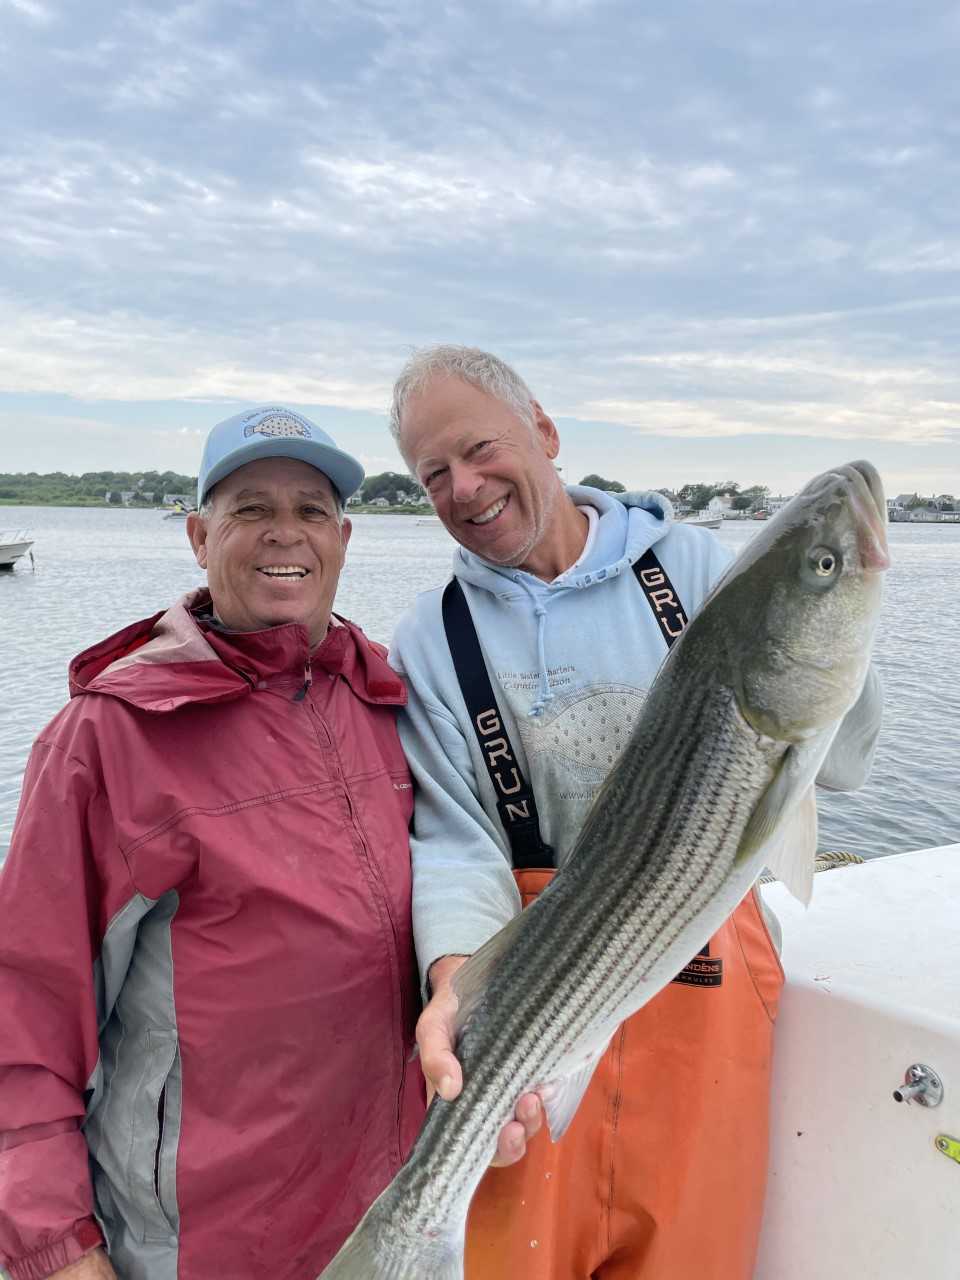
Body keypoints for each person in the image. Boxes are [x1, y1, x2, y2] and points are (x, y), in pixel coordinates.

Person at [387, 347, 789, 1279]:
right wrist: (460, 988)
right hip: (538, 985)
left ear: (547, 432)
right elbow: (455, 840)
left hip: (709, 970)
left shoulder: (691, 567)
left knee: (698, 1253)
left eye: (481, 448)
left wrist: (841, 627)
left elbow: (831, 764)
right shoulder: (431, 637)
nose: (465, 486)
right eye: (433, 474)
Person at [0, 407, 428, 1280]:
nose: (286, 534)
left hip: (391, 1222)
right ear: (199, 536)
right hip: (201, 1245)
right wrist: (54, 1244)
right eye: (249, 509)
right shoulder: (110, 738)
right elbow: (27, 1008)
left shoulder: (395, 702)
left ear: (344, 537)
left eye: (311, 510)